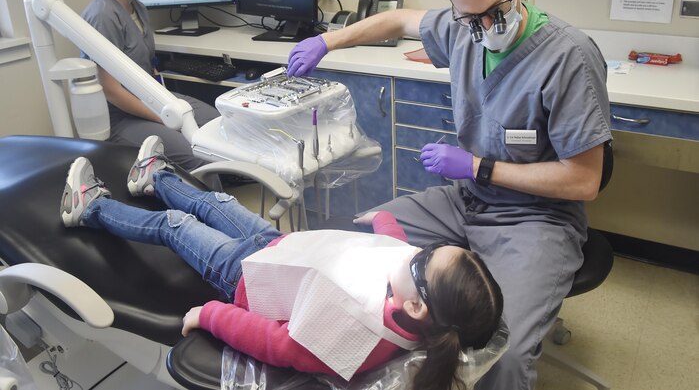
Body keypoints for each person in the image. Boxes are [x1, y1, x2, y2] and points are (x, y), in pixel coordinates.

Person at [286, 0, 613, 390]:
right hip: (468, 199)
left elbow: (584, 181)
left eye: (497, 10)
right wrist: (329, 41)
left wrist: (479, 166)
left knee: (507, 351)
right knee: (356, 240)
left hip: (538, 219)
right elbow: (398, 20)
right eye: (470, 17)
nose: (486, 27)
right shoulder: (462, 31)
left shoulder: (569, 58)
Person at [59, 135, 503, 390]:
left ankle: (90, 208)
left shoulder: (358, 334)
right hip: (281, 247)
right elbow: (396, 247)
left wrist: (211, 314)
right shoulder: (413, 288)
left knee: (174, 226)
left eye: (425, 257)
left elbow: (278, 344)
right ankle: (153, 176)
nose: (418, 251)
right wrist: (383, 219)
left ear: (416, 308)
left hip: (244, 277)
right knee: (216, 201)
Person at [80, 0, 219, 171]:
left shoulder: (138, 7)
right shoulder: (102, 16)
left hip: (155, 99)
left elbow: (147, 64)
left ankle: (219, 189)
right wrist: (166, 119)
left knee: (218, 124)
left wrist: (167, 107)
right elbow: (112, 92)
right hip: (122, 118)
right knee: (197, 155)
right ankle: (209, 203)